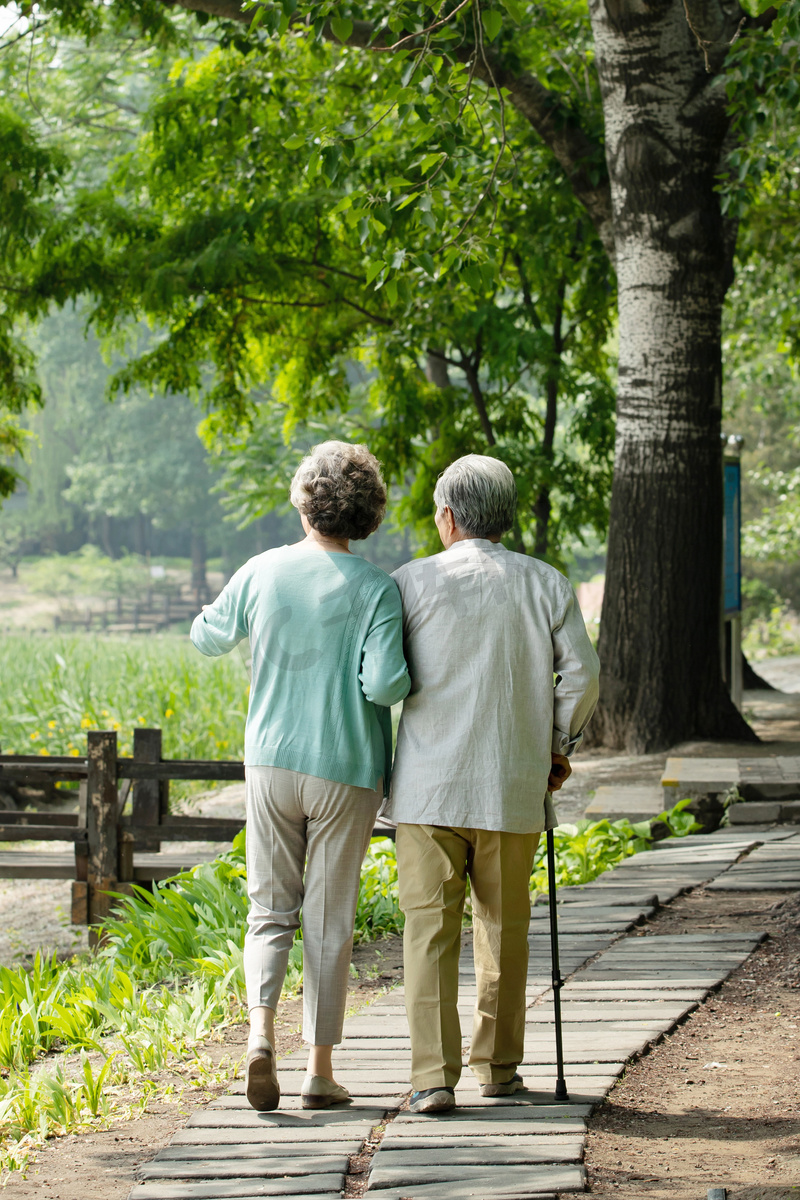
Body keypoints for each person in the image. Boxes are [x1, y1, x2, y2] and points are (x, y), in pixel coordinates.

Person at [190, 441, 410, 1112]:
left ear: (302, 499)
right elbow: (386, 683)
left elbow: (206, 636)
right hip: (347, 767)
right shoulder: (377, 587)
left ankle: (260, 1036)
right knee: (328, 916)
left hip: (272, 760)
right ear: (368, 513)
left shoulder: (261, 571)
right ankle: (318, 1069)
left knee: (269, 909)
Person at [385, 453, 600, 1114]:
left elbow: (382, 676)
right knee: (505, 930)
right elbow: (584, 677)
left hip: (427, 788)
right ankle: (499, 1068)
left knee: (428, 933)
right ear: (502, 517)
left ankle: (431, 1079)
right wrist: (558, 747)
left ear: (447, 517)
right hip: (512, 783)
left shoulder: (409, 584)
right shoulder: (545, 584)